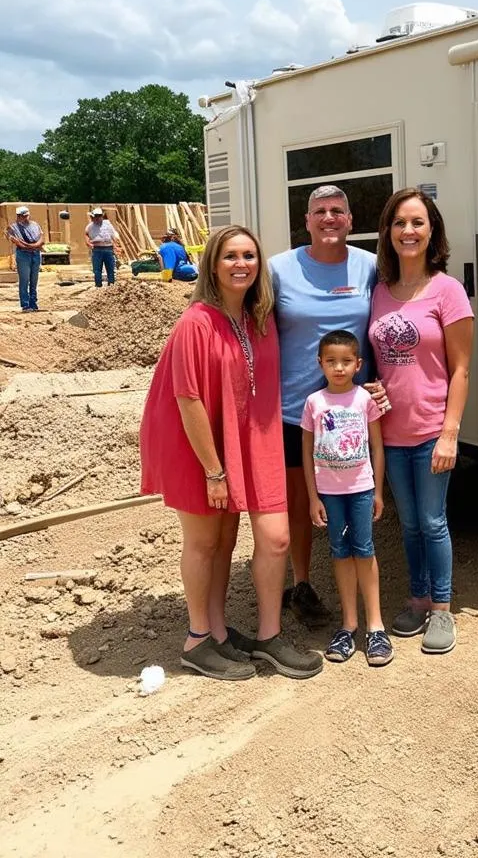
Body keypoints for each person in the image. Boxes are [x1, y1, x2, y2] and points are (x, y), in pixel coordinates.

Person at [139, 224, 323, 681]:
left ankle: (237, 634)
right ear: (212, 264)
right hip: (200, 450)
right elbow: (187, 398)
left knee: (248, 540)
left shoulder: (255, 317)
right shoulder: (196, 321)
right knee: (204, 543)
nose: (241, 264)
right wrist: (214, 471)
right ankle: (198, 639)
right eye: (230, 256)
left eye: (249, 255)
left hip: (243, 444)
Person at [269, 185, 389, 629]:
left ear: (350, 219)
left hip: (354, 411)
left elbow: (386, 325)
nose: (329, 218)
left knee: (357, 495)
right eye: (320, 211)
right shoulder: (280, 268)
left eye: (337, 210)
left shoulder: (370, 266)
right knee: (301, 504)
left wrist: (383, 383)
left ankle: (364, 595)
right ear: (307, 221)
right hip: (293, 409)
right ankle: (301, 584)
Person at [369, 188, 474, 656]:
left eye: (417, 223)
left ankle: (443, 610)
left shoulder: (447, 290)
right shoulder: (379, 293)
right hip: (390, 433)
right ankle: (417, 598)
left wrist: (450, 432)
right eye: (399, 223)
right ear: (388, 233)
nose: (408, 231)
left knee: (433, 522)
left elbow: (461, 369)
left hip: (433, 429)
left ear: (432, 232)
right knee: (408, 523)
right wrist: (370, 386)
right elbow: (375, 362)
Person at [301, 330, 392, 667]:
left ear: (358, 364)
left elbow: (377, 446)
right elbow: (308, 452)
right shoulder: (314, 403)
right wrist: (313, 497)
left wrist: (379, 491)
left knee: (364, 551)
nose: (338, 368)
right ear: (320, 363)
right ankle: (348, 625)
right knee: (340, 553)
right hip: (330, 494)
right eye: (331, 361)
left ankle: (376, 627)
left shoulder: (364, 401)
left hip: (361, 490)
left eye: (346, 361)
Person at [5, 205, 43, 312]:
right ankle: (25, 304)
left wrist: (35, 246)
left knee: (34, 280)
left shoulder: (35, 225)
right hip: (23, 255)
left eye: (26, 215)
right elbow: (17, 242)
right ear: (18, 216)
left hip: (35, 254)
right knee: (24, 280)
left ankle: (33, 303)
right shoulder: (13, 228)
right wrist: (31, 246)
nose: (25, 217)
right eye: (22, 216)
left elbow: (41, 238)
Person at [84, 208, 121, 287]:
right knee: (97, 270)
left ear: (101, 216)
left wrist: (116, 247)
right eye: (95, 217)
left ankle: (111, 285)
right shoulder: (90, 226)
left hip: (108, 248)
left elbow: (113, 235)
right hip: (97, 249)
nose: (96, 218)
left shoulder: (107, 224)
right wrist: (88, 243)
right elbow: (86, 234)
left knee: (110, 269)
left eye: (98, 216)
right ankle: (98, 285)